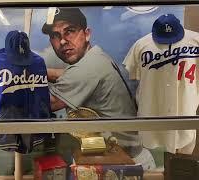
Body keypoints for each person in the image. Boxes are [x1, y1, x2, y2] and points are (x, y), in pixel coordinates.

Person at [41, 7, 154, 170]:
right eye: (55, 35)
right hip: (117, 157)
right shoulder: (96, 55)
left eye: (69, 31)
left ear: (87, 33)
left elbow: (48, 103)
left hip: (126, 164)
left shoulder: (87, 68)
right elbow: (67, 75)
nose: (63, 41)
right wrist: (38, 71)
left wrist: (19, 80)